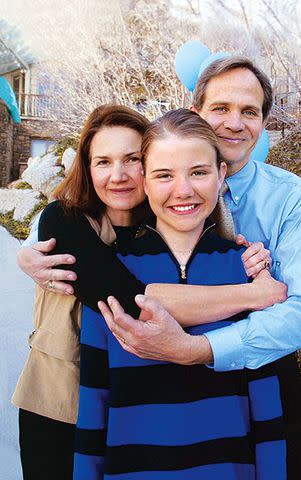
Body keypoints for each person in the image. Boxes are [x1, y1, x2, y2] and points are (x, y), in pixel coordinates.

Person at [14, 104, 285, 479]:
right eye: (103, 162)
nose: (119, 175)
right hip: (59, 402)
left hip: (149, 419)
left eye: (132, 159)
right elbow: (133, 301)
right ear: (86, 168)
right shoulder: (67, 221)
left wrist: (245, 262)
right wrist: (256, 295)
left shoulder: (166, 226)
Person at [98, 57, 301, 479]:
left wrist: (198, 351)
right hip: (150, 390)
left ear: (263, 122)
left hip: (263, 373)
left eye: (249, 112)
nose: (234, 123)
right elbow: (83, 204)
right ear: (196, 110)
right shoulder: (158, 181)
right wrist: (39, 241)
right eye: (221, 108)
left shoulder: (291, 198)